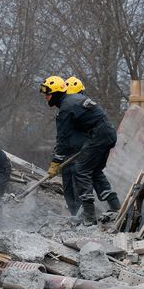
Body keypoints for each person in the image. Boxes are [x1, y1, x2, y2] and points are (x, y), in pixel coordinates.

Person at [40, 75, 119, 224]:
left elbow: (62, 139)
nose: (46, 97)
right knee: (94, 171)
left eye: (48, 94)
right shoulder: (73, 101)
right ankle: (115, 206)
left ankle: (88, 217)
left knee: (81, 170)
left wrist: (55, 162)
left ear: (56, 93)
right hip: (107, 133)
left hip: (98, 135)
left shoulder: (66, 109)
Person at [57, 76, 87, 215]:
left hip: (82, 154)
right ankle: (74, 214)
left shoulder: (87, 109)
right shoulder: (64, 111)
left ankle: (82, 214)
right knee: (68, 186)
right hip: (68, 155)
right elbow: (61, 135)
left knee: (80, 185)